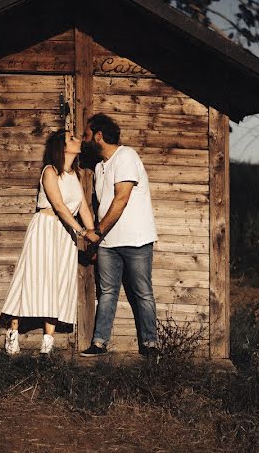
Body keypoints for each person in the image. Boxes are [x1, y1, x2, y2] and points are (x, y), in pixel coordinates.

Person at [1, 129, 95, 355]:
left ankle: (48, 341)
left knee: (58, 280)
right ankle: (13, 334)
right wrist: (83, 232)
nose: (77, 140)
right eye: (71, 139)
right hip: (45, 227)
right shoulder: (50, 172)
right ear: (62, 147)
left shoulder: (75, 175)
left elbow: (82, 207)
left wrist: (93, 234)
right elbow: (60, 207)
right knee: (31, 277)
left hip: (65, 234)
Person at [79, 113, 160, 361]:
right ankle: (99, 343)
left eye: (87, 134)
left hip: (135, 239)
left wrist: (97, 233)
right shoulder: (100, 166)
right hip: (108, 244)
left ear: (99, 136)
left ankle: (150, 345)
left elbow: (121, 199)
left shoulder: (126, 156)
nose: (84, 140)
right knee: (108, 292)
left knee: (143, 292)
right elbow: (101, 206)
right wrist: (98, 240)